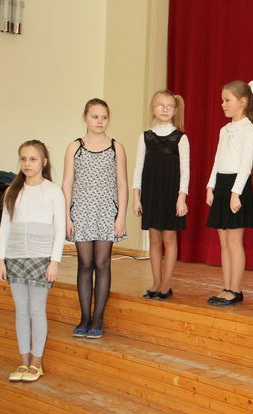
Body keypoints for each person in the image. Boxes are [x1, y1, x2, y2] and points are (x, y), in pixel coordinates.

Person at [0, 140, 65, 382]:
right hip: (15, 258)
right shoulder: (12, 191)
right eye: (23, 159)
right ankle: (23, 361)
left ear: (44, 162)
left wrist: (54, 261)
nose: (27, 163)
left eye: (33, 159)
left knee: (36, 310)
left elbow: (59, 229)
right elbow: (5, 227)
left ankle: (37, 362)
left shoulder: (53, 191)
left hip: (41, 258)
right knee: (21, 311)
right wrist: (1, 259)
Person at [63, 98, 128, 339]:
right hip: (81, 211)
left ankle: (98, 318)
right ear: (85, 118)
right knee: (84, 263)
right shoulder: (74, 147)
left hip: (106, 212)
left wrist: (121, 217)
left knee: (102, 263)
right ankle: (84, 317)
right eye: (95, 116)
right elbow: (67, 183)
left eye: (104, 117)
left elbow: (122, 184)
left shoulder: (116, 147)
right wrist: (66, 216)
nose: (100, 121)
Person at [206, 80, 253, 306]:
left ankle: (235, 290)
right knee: (224, 243)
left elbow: (245, 166)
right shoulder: (224, 130)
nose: (223, 104)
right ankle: (226, 286)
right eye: (222, 100)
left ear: (243, 102)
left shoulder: (249, 130)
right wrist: (210, 186)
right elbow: (217, 161)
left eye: (227, 100)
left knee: (234, 241)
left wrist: (235, 193)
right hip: (222, 186)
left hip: (237, 188)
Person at [132, 90, 189, 300]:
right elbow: (138, 168)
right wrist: (136, 197)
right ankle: (156, 282)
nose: (165, 109)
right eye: (160, 105)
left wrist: (181, 197)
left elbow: (185, 171)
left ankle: (166, 285)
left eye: (169, 106)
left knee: (169, 238)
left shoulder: (180, 138)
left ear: (174, 110)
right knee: (154, 238)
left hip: (171, 194)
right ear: (153, 108)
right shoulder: (145, 137)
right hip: (151, 193)